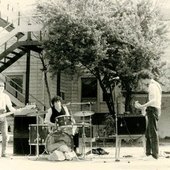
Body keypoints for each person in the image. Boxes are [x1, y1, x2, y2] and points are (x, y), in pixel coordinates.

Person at [135, 70, 162, 160]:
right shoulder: (156, 84)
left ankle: (154, 155)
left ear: (145, 78)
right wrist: (145, 108)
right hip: (154, 109)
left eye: (142, 80)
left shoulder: (152, 86)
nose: (142, 83)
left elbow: (153, 100)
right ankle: (148, 153)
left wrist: (142, 106)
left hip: (153, 109)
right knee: (148, 132)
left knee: (152, 132)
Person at [44, 96, 80, 160]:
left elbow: (68, 117)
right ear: (53, 103)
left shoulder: (64, 108)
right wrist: (54, 124)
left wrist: (72, 120)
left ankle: (75, 149)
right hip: (54, 128)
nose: (57, 103)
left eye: (58, 101)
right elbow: (46, 121)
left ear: (61, 102)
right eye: (55, 102)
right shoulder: (50, 110)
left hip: (64, 127)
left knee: (76, 130)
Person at [0, 80, 16, 157]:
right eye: (0, 86)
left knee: (5, 135)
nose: (1, 87)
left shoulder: (6, 96)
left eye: (2, 86)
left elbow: (10, 107)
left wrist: (15, 111)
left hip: (3, 116)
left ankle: (4, 153)